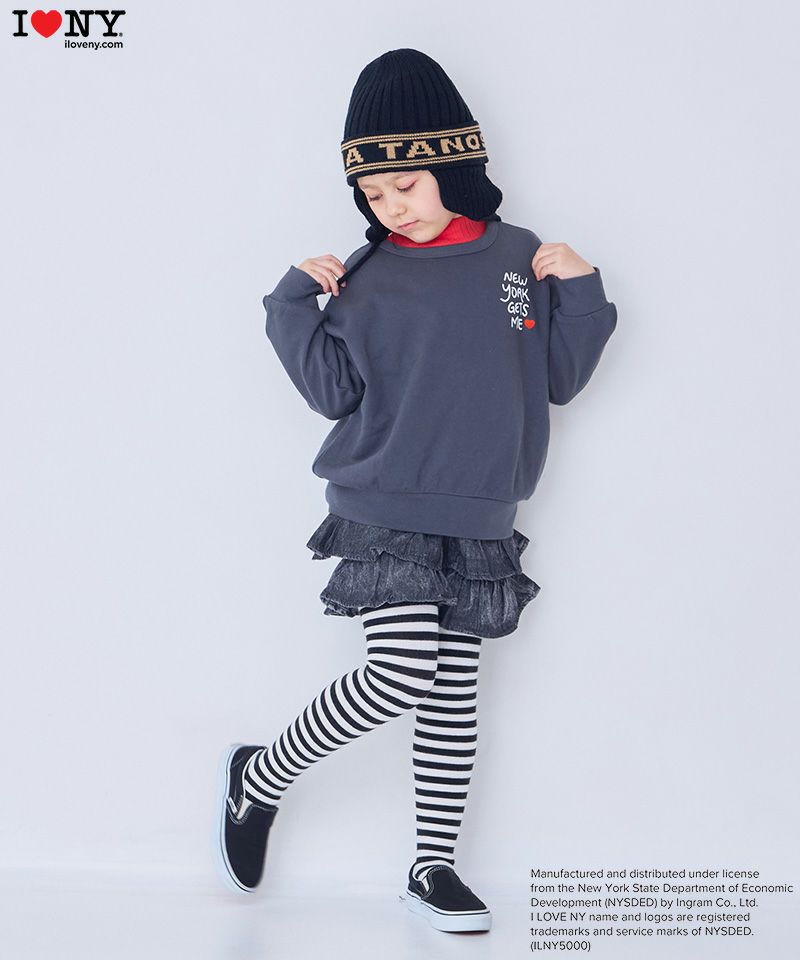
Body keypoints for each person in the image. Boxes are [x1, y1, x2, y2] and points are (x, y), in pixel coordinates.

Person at [214, 48, 618, 934]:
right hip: (384, 503)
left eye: (405, 184)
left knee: (452, 697)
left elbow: (557, 378)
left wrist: (583, 291)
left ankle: (431, 866)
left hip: (480, 515)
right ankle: (260, 775)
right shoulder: (365, 279)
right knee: (399, 674)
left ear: (455, 166)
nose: (391, 205)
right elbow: (333, 395)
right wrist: (292, 306)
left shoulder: (519, 258)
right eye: (374, 194)